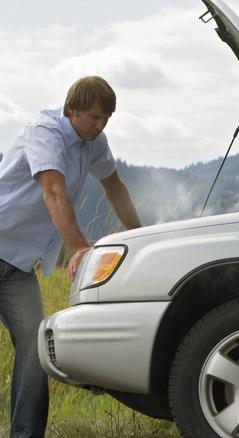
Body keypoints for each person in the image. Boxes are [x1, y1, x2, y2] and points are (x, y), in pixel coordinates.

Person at [0, 76, 142, 437]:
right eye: (94, 117)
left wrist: (140, 236)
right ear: (71, 111)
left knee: (36, 350)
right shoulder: (44, 131)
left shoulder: (94, 142)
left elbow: (115, 188)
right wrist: (80, 247)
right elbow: (53, 193)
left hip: (16, 268)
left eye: (107, 118)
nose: (101, 125)